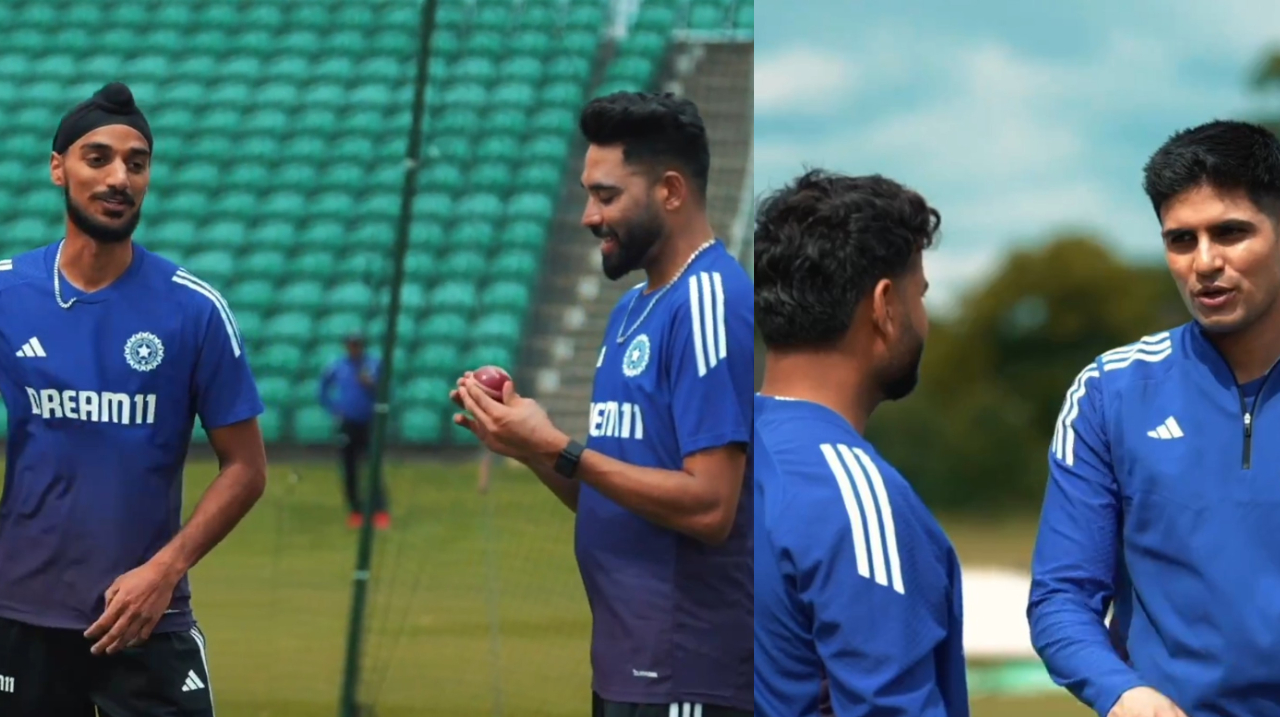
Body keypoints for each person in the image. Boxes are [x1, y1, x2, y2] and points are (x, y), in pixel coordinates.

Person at [451, 91, 753, 716]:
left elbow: (710, 506)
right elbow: (613, 498)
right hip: (626, 668)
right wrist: (530, 449)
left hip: (685, 674)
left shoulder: (710, 302)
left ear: (671, 191)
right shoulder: (631, 310)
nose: (589, 216)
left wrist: (555, 446)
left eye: (607, 195)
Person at [0, 81, 266, 716]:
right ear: (58, 168)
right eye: (99, 158)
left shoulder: (193, 309)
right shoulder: (8, 294)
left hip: (148, 621)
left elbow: (247, 469)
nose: (120, 177)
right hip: (20, 621)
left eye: (136, 163)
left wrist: (164, 570)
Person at [1027, 120, 1280, 717]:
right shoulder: (1110, 391)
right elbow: (1062, 597)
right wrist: (1125, 695)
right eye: (1181, 240)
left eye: (1231, 232)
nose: (1206, 262)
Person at [753, 169, 969, 717]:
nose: (922, 318)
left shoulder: (716, 453)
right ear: (884, 305)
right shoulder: (853, 496)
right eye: (919, 294)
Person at [319, 334, 388, 529]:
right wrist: (334, 407)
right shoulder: (337, 366)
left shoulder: (373, 364)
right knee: (349, 468)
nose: (355, 348)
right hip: (347, 422)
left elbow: (385, 388)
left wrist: (371, 385)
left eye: (358, 345)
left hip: (368, 421)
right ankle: (355, 511)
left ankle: (379, 510)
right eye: (352, 345)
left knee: (373, 467)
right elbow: (323, 388)